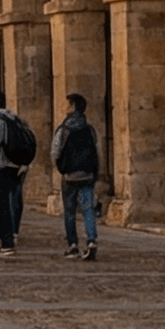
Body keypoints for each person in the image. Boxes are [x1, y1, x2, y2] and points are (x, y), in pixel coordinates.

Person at [51, 93, 101, 261]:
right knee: (88, 210)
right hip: (87, 174)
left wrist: (61, 168)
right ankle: (91, 241)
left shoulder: (64, 129)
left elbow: (55, 152)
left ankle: (73, 245)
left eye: (67, 104)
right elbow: (97, 151)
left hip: (69, 176)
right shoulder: (90, 128)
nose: (64, 108)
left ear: (72, 107)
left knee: (70, 212)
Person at [0, 89, 29, 256]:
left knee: (2, 204)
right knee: (12, 201)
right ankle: (12, 235)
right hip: (16, 165)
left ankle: (6, 242)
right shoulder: (15, 117)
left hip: (1, 166)